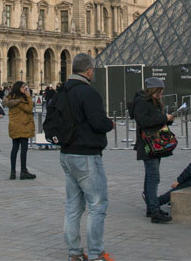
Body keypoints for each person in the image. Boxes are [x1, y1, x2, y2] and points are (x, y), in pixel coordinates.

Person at [59, 53, 115, 261]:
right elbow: (99, 123)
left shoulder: (61, 92)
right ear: (89, 71)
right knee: (97, 205)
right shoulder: (89, 93)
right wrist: (110, 124)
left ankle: (74, 253)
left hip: (66, 154)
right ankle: (95, 253)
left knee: (73, 206)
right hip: (86, 155)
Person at [129, 77, 174, 223]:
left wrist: (168, 119)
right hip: (148, 144)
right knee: (153, 176)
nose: (161, 94)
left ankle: (151, 207)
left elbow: (155, 119)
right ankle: (154, 210)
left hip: (156, 144)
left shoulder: (152, 102)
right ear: (153, 90)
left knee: (151, 176)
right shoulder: (141, 102)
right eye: (159, 91)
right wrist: (163, 118)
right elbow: (144, 121)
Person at [3, 80, 36, 180]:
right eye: (23, 88)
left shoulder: (10, 98)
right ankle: (23, 171)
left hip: (14, 126)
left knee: (14, 149)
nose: (25, 89)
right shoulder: (20, 100)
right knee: (24, 150)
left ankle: (13, 172)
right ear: (18, 88)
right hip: (23, 125)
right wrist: (29, 97)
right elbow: (29, 109)